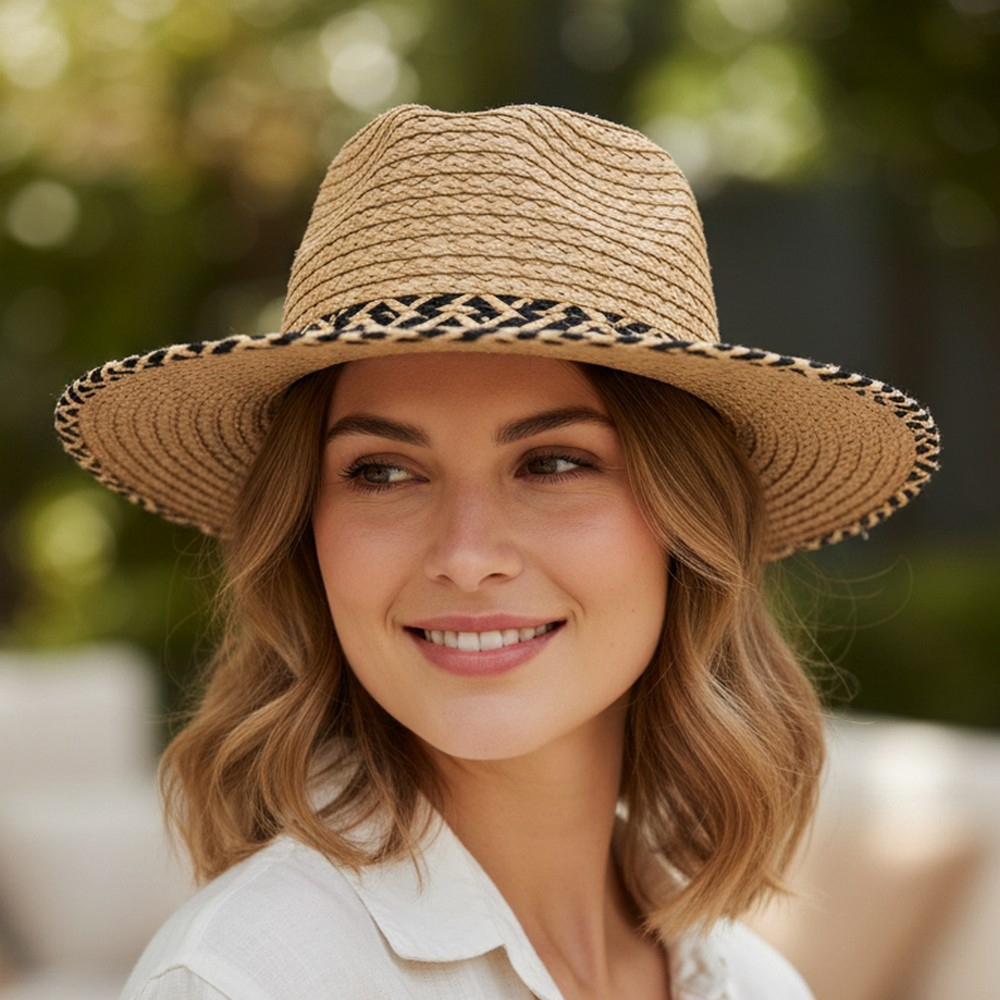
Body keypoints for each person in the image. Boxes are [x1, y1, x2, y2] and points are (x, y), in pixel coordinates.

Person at [54, 104, 939, 1000]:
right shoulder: (244, 979)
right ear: (303, 534)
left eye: (552, 464)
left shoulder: (752, 984)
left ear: (688, 522)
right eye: (383, 472)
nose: (467, 555)